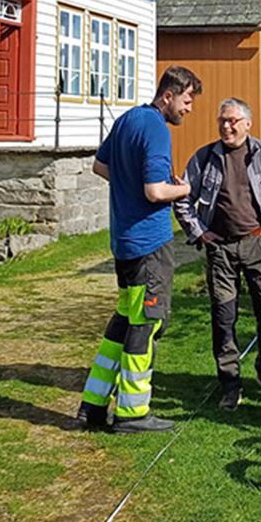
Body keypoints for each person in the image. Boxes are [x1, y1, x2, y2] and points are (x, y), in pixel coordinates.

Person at [77, 66, 202, 434]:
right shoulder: (157, 130)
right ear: (168, 96)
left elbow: (100, 165)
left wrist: (128, 184)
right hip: (149, 245)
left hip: (124, 243)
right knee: (146, 325)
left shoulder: (128, 118)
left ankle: (94, 405)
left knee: (123, 321)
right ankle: (133, 412)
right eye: (187, 100)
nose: (189, 109)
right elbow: (155, 191)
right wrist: (185, 189)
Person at [174, 98, 261, 410]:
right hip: (221, 250)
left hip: (258, 245)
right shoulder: (204, 157)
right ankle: (230, 384)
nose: (226, 126)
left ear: (247, 123)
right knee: (224, 319)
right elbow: (182, 198)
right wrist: (199, 232)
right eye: (222, 121)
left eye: (232, 121)